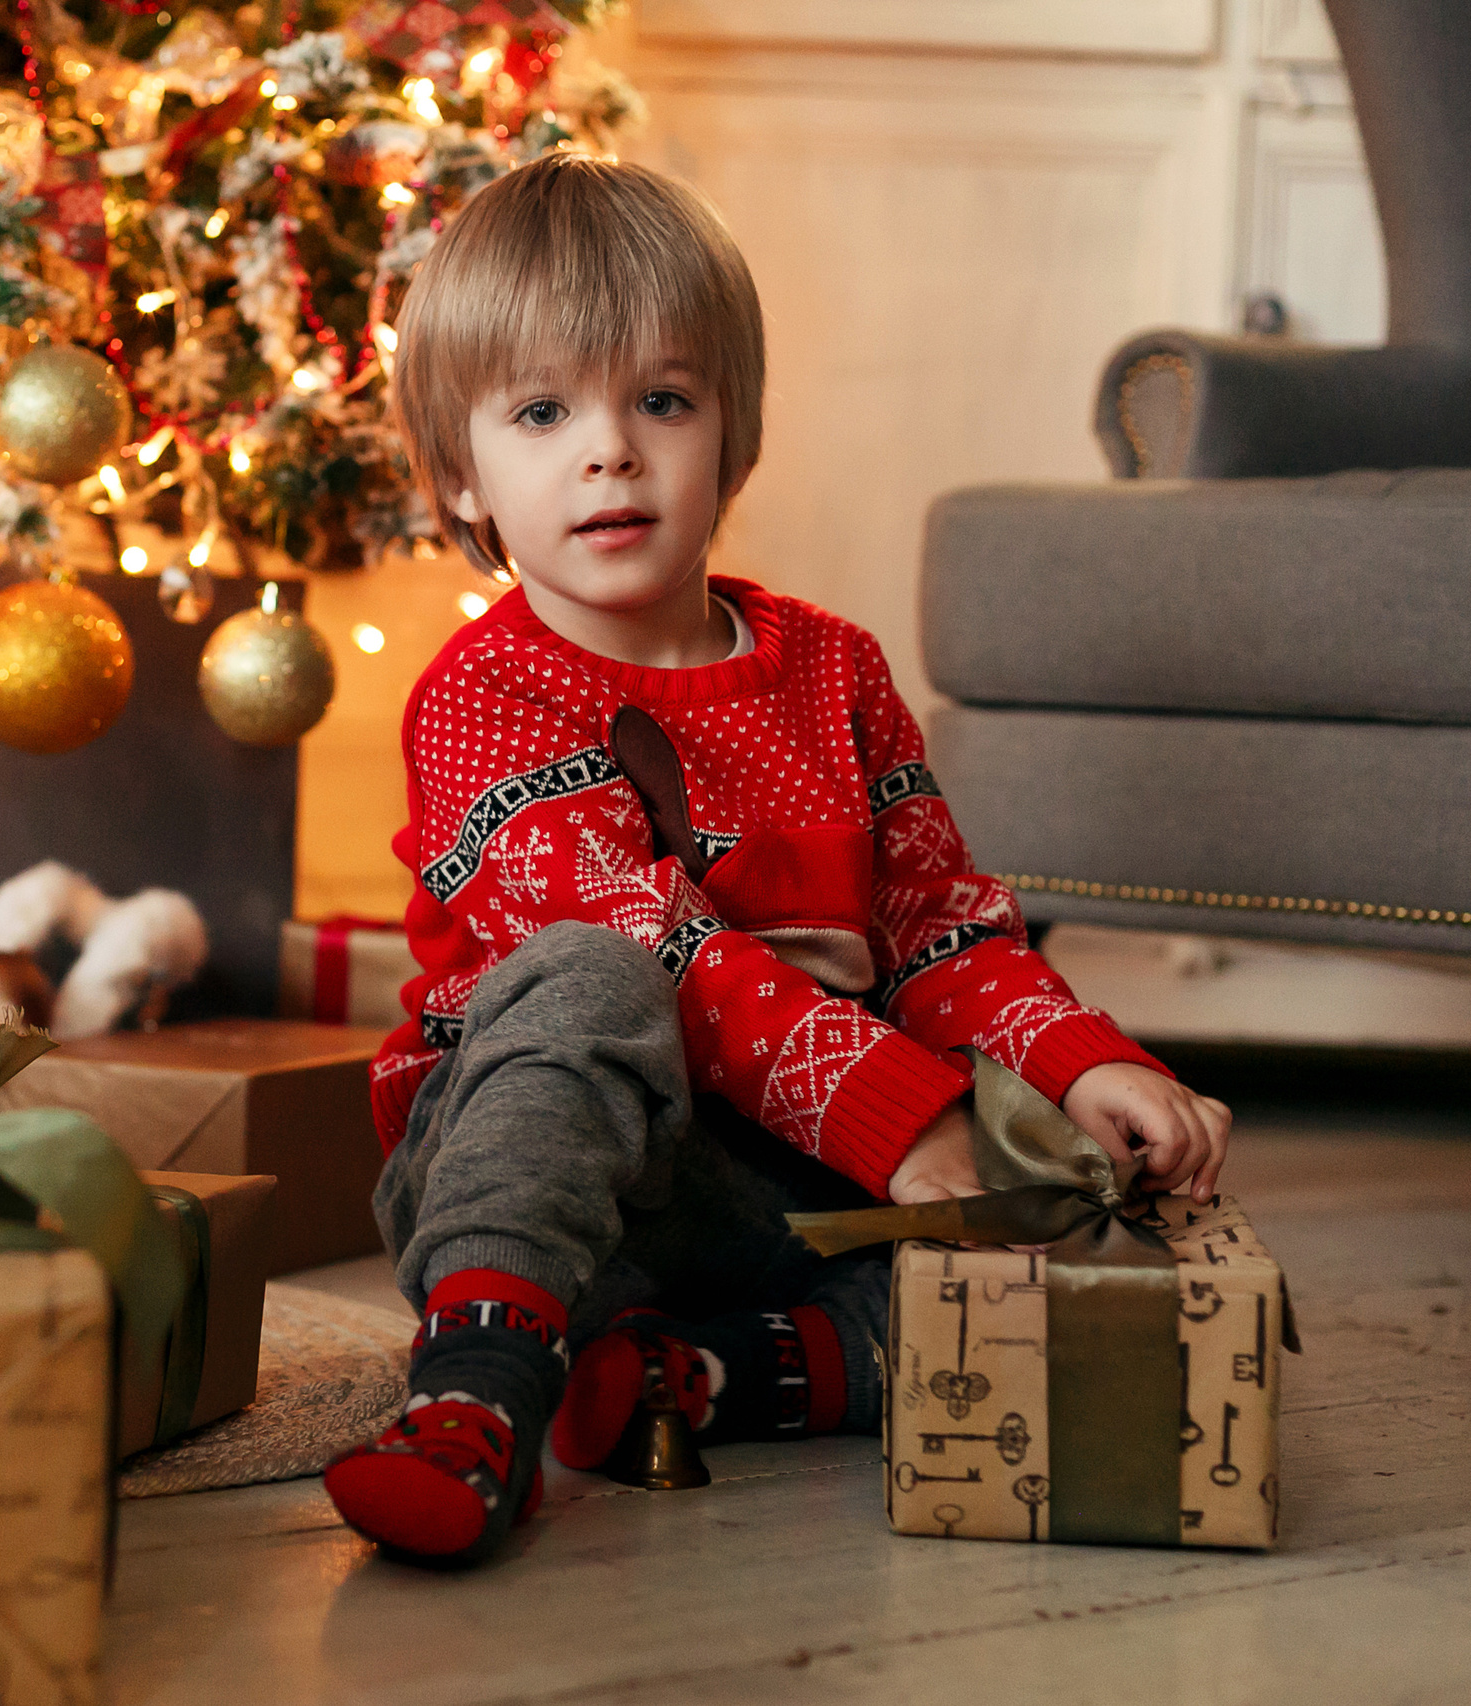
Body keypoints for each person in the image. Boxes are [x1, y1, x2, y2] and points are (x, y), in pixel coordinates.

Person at [321, 153, 1232, 1568]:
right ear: (461, 472)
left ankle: (706, 1375)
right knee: (590, 974)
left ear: (732, 440)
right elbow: (660, 954)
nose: (610, 451)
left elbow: (941, 930)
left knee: (1040, 1272)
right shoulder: (484, 695)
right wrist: (906, 1126)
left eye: (662, 401)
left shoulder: (836, 672)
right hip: (544, 1160)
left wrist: (1080, 1064)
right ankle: (477, 1388)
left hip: (791, 1181)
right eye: (544, 412)